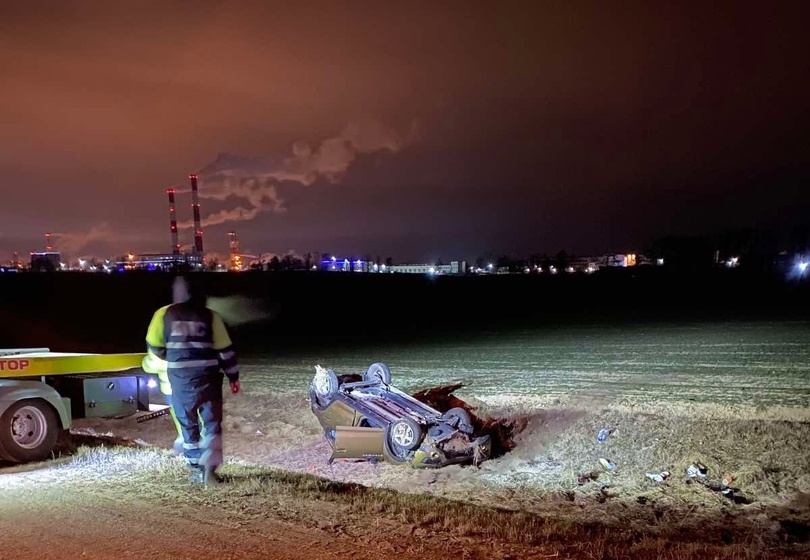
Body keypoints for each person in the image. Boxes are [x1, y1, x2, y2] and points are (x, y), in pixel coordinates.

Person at [145, 275, 241, 485]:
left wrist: (172, 357)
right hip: (209, 381)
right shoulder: (211, 316)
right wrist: (234, 377)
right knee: (212, 424)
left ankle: (195, 469)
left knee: (188, 425)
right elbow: (225, 351)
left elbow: (154, 345)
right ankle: (211, 472)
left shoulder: (163, 314)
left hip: (181, 382)